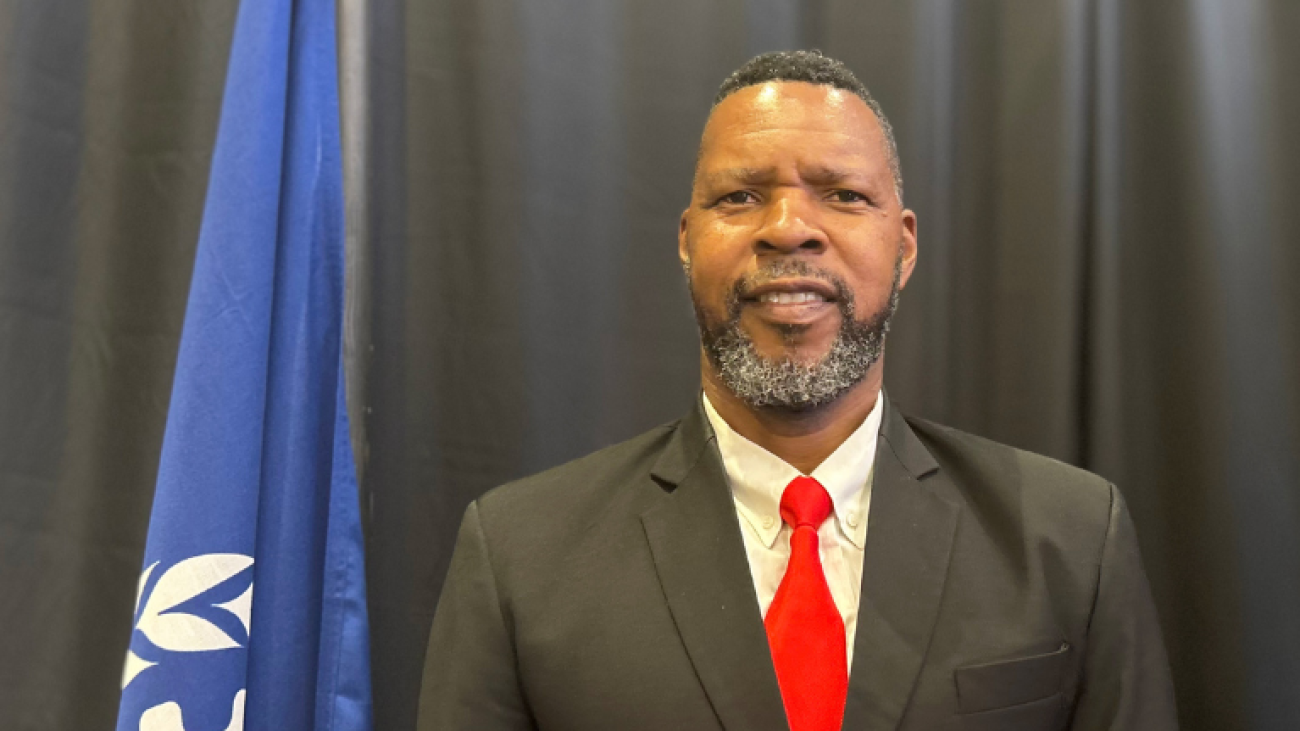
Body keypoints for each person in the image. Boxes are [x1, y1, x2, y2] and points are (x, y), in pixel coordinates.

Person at [416, 50, 1177, 731]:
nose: (788, 228)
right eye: (740, 197)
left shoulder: (1072, 541)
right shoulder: (520, 555)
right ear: (688, 242)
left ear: (903, 245)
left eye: (842, 194)